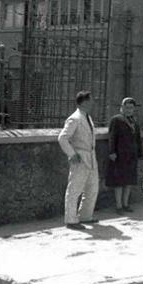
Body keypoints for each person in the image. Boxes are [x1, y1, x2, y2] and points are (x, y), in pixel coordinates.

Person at [58, 91, 99, 230]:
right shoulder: (74, 118)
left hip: (91, 157)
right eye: (91, 100)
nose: (93, 103)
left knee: (92, 188)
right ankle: (71, 219)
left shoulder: (87, 117)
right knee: (75, 189)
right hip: (80, 158)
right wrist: (72, 154)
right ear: (85, 102)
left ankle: (85, 216)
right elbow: (62, 138)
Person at [106, 97, 143, 214]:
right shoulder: (116, 120)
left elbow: (138, 139)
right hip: (120, 155)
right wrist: (112, 152)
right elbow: (112, 137)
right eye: (126, 107)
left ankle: (126, 204)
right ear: (121, 108)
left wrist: (140, 153)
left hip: (131, 156)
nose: (129, 110)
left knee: (128, 181)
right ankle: (119, 205)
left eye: (131, 108)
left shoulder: (134, 122)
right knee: (119, 182)